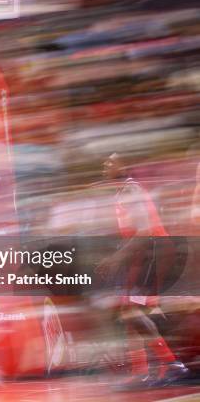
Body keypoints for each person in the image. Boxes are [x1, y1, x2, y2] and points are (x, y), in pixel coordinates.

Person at [97, 153, 188, 390]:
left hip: (152, 253)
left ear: (124, 166)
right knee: (127, 312)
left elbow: (145, 230)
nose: (106, 164)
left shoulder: (130, 191)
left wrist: (116, 258)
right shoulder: (121, 193)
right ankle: (142, 372)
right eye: (106, 162)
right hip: (142, 256)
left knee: (131, 311)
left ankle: (172, 364)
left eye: (111, 161)